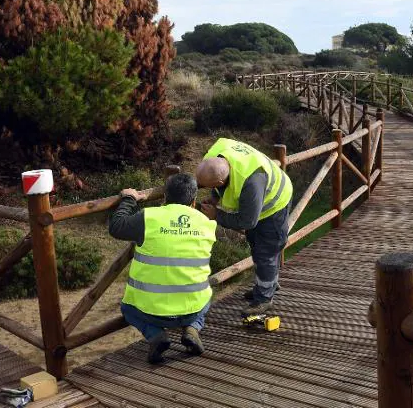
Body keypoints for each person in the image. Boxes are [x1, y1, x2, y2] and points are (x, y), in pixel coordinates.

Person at [108, 173, 217, 364]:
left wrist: (129, 198)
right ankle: (193, 328)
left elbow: (116, 226)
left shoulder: (149, 218)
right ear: (193, 201)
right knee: (206, 296)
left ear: (165, 197)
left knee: (127, 308)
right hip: (191, 309)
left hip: (149, 312)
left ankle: (156, 335)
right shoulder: (207, 224)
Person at [196, 138, 292, 316]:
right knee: (256, 244)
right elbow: (219, 183)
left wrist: (216, 215)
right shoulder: (214, 158)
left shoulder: (251, 183)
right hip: (258, 202)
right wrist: (215, 198)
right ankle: (269, 283)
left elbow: (247, 222)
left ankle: (264, 299)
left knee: (266, 251)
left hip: (275, 204)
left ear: (219, 181)